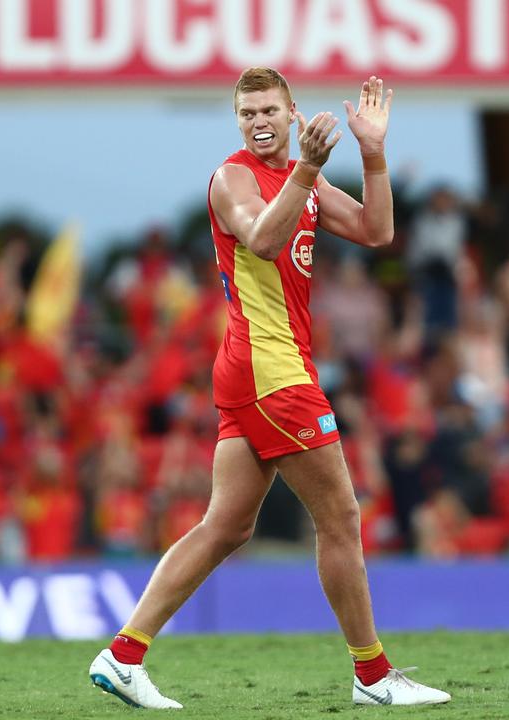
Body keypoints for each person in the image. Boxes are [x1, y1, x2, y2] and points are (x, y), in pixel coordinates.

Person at [87, 68, 449, 709]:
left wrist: (372, 152)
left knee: (225, 526)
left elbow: (377, 231)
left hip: (262, 368)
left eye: (268, 111)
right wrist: (308, 172)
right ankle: (372, 675)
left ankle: (123, 655)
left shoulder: (300, 178)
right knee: (338, 517)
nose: (257, 122)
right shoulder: (232, 179)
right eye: (247, 113)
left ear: (292, 113)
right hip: (270, 371)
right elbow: (262, 237)